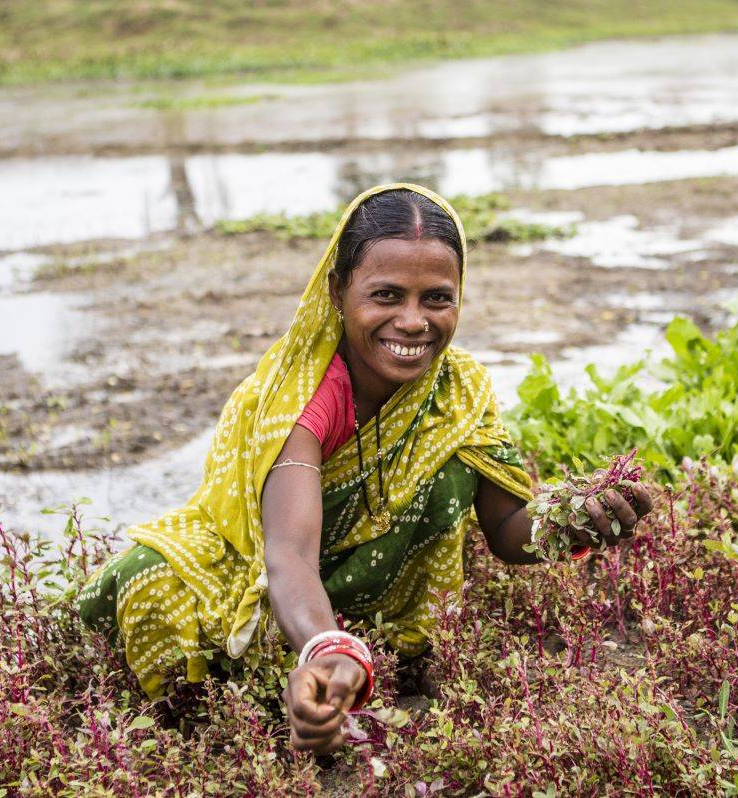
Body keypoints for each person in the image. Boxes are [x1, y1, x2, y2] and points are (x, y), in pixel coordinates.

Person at [78, 183, 652, 754]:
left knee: (451, 468)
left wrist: (578, 520)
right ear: (337, 291)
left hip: (345, 616)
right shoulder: (304, 399)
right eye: (385, 295)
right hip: (267, 584)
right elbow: (288, 555)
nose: (412, 321)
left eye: (437, 298)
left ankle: (369, 656)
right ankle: (274, 687)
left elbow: (506, 531)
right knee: (152, 580)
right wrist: (329, 650)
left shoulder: (460, 389)